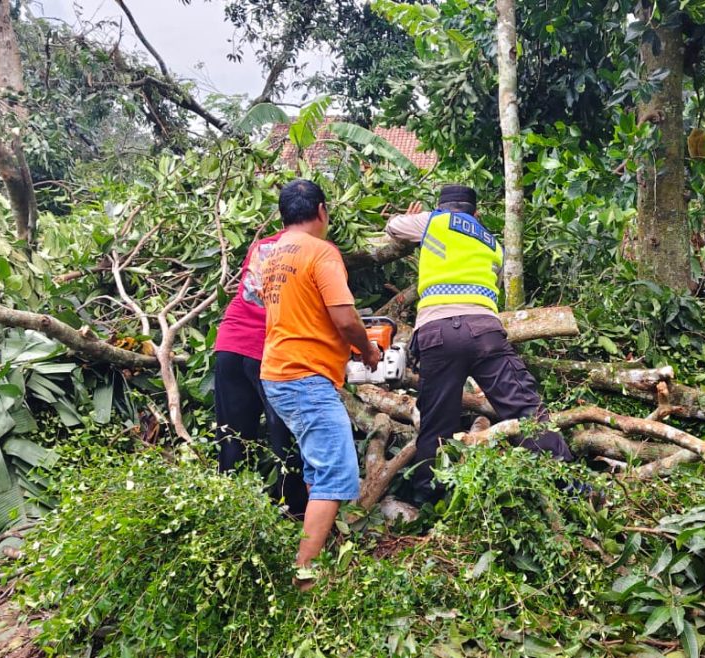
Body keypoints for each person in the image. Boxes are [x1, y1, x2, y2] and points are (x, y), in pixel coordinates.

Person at [385, 184, 574, 506]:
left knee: (435, 422)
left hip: (437, 333)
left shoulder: (434, 221)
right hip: (484, 331)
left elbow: (393, 228)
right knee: (526, 409)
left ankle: (427, 499)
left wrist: (413, 217)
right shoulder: (493, 243)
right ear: (476, 213)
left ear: (441, 207)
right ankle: (570, 485)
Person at [258, 179, 381, 588]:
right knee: (336, 471)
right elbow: (345, 319)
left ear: (283, 215)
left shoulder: (273, 254)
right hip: (304, 375)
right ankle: (305, 575)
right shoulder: (322, 252)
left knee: (317, 465)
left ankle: (318, 546)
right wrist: (367, 350)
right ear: (322, 211)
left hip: (277, 371)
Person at [213, 226, 307, 519]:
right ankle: (292, 511)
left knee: (232, 437)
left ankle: (230, 511)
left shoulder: (262, 247)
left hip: (230, 343)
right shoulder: (311, 250)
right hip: (270, 349)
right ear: (319, 213)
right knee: (285, 433)